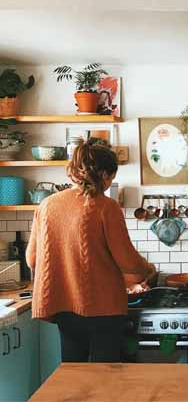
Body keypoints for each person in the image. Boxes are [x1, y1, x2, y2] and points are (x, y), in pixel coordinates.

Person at [26, 141, 156, 362]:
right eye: (111, 178)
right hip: (103, 308)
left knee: (73, 373)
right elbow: (127, 262)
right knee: (105, 378)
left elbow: (32, 259)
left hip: (64, 308)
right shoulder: (105, 206)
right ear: (104, 174)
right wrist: (148, 268)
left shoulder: (46, 205)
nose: (109, 184)